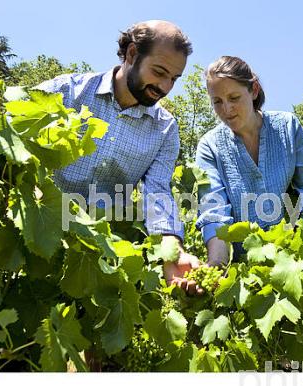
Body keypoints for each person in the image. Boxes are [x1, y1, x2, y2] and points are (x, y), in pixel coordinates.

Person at [37, 20, 203, 295]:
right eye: (159, 72)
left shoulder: (164, 129)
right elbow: (11, 142)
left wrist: (172, 251)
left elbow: (158, 194)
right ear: (132, 54)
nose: (164, 86)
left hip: (98, 259)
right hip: (40, 233)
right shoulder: (65, 92)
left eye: (173, 79)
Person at [195, 56, 303, 266]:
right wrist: (217, 264)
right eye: (217, 102)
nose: (226, 109)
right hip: (242, 268)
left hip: (292, 258)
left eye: (234, 97)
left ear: (254, 90)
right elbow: (214, 213)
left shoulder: (287, 127)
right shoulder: (209, 146)